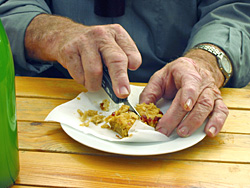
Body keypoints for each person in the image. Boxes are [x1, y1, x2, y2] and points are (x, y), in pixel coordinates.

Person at [1, 0, 250, 138]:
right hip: (47, 105)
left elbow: (234, 10)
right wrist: (55, 34)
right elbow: (10, 7)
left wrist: (206, 63)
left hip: (182, 100)